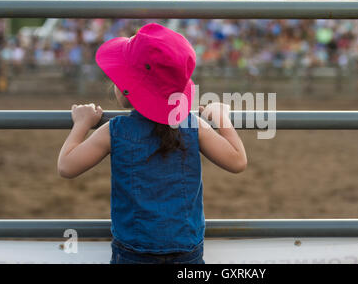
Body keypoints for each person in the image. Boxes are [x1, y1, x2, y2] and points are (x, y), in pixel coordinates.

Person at [57, 23, 248, 264]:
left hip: (133, 252)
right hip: (186, 251)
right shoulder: (193, 126)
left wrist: (82, 123)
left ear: (130, 88)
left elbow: (66, 166)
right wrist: (220, 117)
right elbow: (238, 160)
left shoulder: (115, 131)